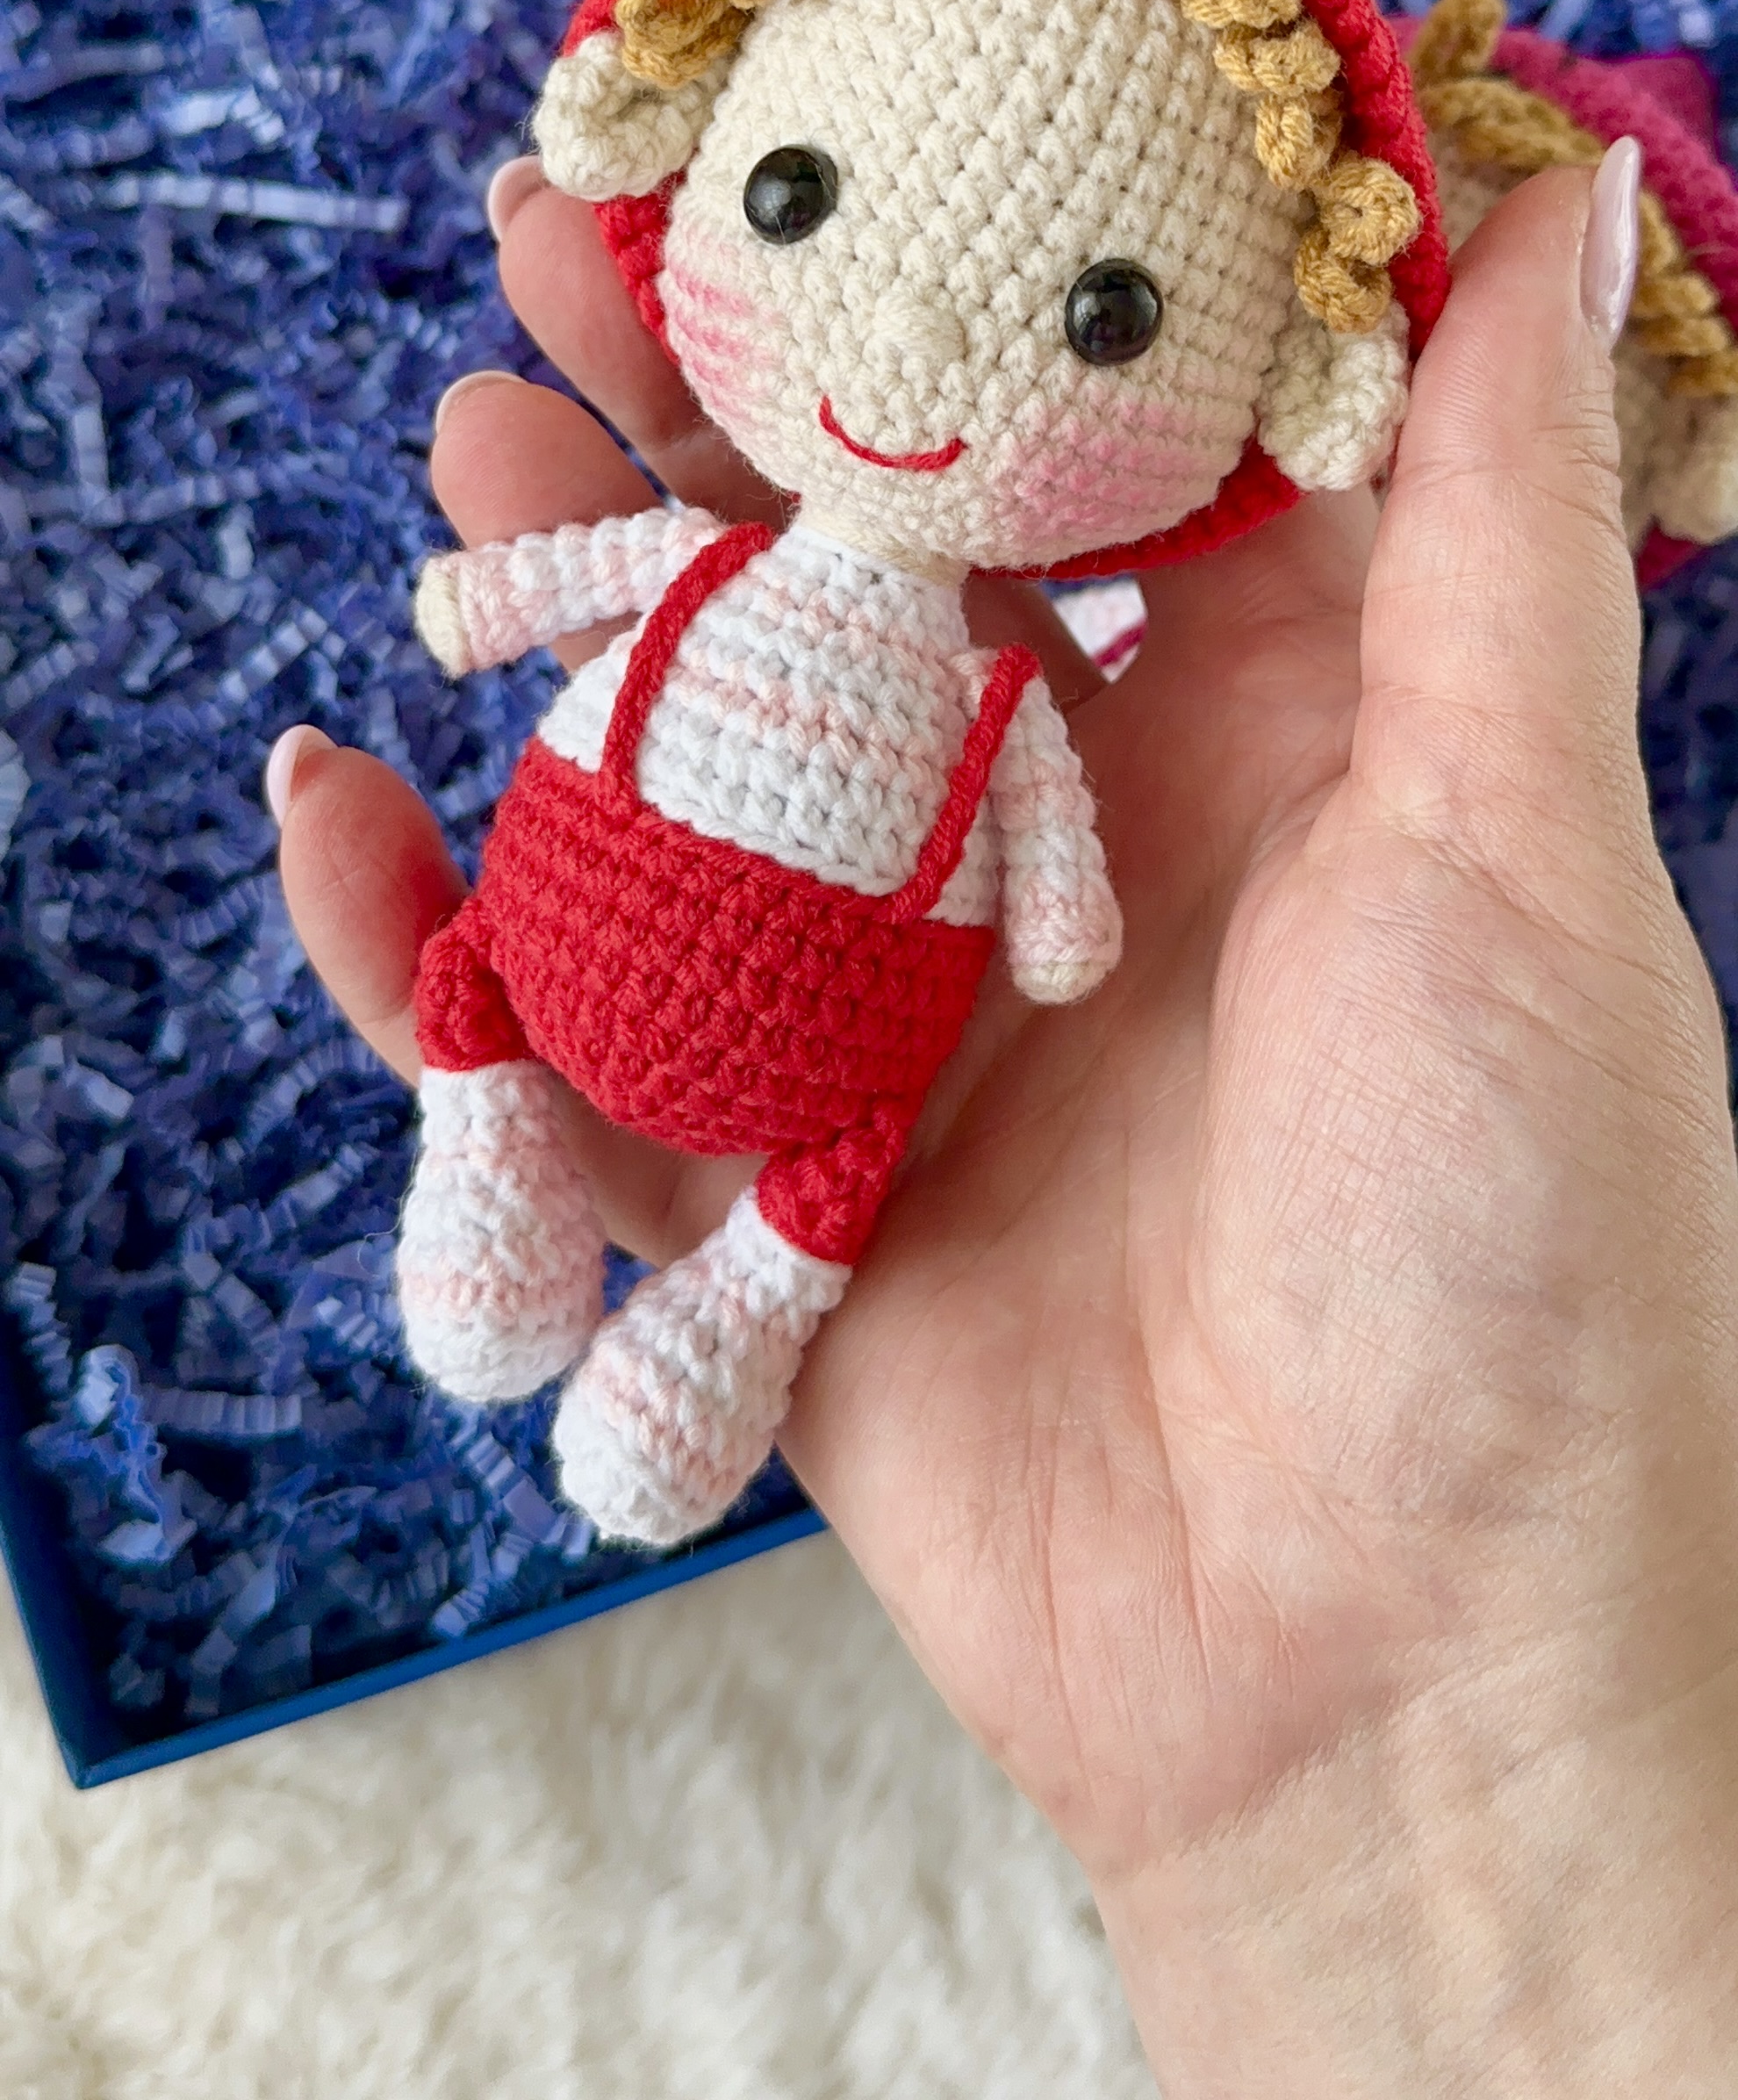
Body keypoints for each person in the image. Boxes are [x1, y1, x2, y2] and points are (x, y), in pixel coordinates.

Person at [270, 133, 1738, 2090]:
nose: (910, 341)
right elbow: (558, 581)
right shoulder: (727, 569)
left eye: (1107, 318)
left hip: (825, 1039)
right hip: (586, 922)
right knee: (475, 987)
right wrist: (489, 598)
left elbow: (1056, 897)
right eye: (799, 201)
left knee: (816, 1158)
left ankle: (725, 1305)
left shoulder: (993, 702)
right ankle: (497, 1143)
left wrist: (1064, 927)